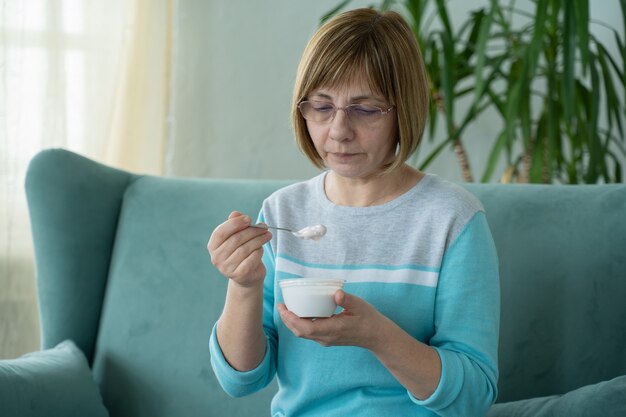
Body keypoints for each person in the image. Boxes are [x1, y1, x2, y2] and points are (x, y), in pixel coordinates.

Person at [207, 8, 499, 417]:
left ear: (404, 111)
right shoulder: (282, 211)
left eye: (365, 109)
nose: (339, 131)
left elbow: (473, 394)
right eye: (322, 107)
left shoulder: (453, 220)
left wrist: (376, 335)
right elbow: (240, 379)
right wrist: (244, 286)